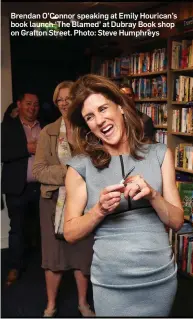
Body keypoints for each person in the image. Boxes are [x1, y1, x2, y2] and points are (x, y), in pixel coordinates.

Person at [63, 74, 184, 316]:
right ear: (86, 125)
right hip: (111, 282)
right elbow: (70, 233)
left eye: (103, 108)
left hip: (159, 278)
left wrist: (152, 195)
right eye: (90, 117)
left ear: (120, 105)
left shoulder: (159, 154)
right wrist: (99, 210)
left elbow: (177, 221)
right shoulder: (80, 166)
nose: (99, 120)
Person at [32, 81, 95, 317]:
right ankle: (51, 304)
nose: (64, 103)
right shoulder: (47, 132)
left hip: (82, 203)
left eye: (68, 98)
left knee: (82, 255)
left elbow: (96, 166)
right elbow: (38, 171)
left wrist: (71, 174)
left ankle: (82, 303)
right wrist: (71, 173)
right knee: (53, 257)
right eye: (59, 99)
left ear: (77, 100)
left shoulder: (88, 129)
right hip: (52, 203)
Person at [1, 91, 46, 287]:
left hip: (43, 187)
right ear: (18, 104)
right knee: (17, 229)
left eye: (36, 104)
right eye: (28, 103)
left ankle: (48, 266)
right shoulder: (7, 127)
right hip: (17, 187)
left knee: (45, 227)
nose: (32, 107)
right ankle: (14, 267)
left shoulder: (45, 127)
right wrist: (25, 149)